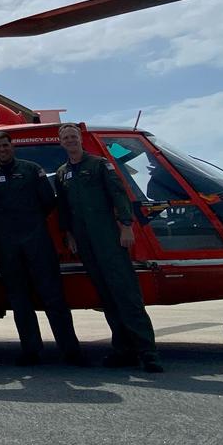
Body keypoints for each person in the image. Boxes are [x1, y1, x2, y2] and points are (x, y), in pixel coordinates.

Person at [55, 123, 163, 373]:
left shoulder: (98, 164)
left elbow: (119, 193)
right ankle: (123, 349)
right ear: (61, 142)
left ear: (80, 139)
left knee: (126, 294)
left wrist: (126, 225)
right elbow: (64, 208)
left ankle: (148, 352)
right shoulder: (62, 173)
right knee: (106, 296)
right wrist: (69, 234)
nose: (70, 141)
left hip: (108, 238)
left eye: (73, 136)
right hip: (85, 241)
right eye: (66, 137)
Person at [0, 131, 84, 366]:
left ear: (11, 146)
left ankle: (70, 350)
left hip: (37, 239)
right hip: (7, 245)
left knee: (53, 295)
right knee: (18, 298)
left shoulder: (30, 169)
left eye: (6, 145)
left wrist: (30, 223)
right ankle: (31, 349)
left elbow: (48, 201)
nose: (2, 149)